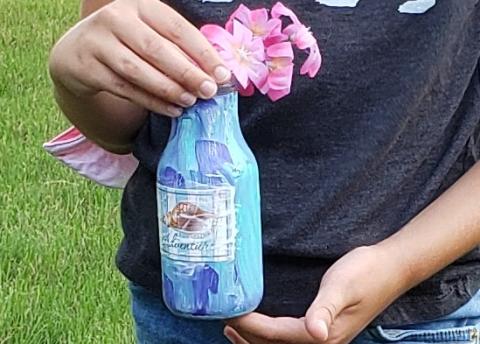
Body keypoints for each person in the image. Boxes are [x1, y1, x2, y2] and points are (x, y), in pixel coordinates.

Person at [48, 0, 480, 343]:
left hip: (415, 315)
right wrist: (74, 80)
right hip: (186, 303)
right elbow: (123, 124)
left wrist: (399, 265)